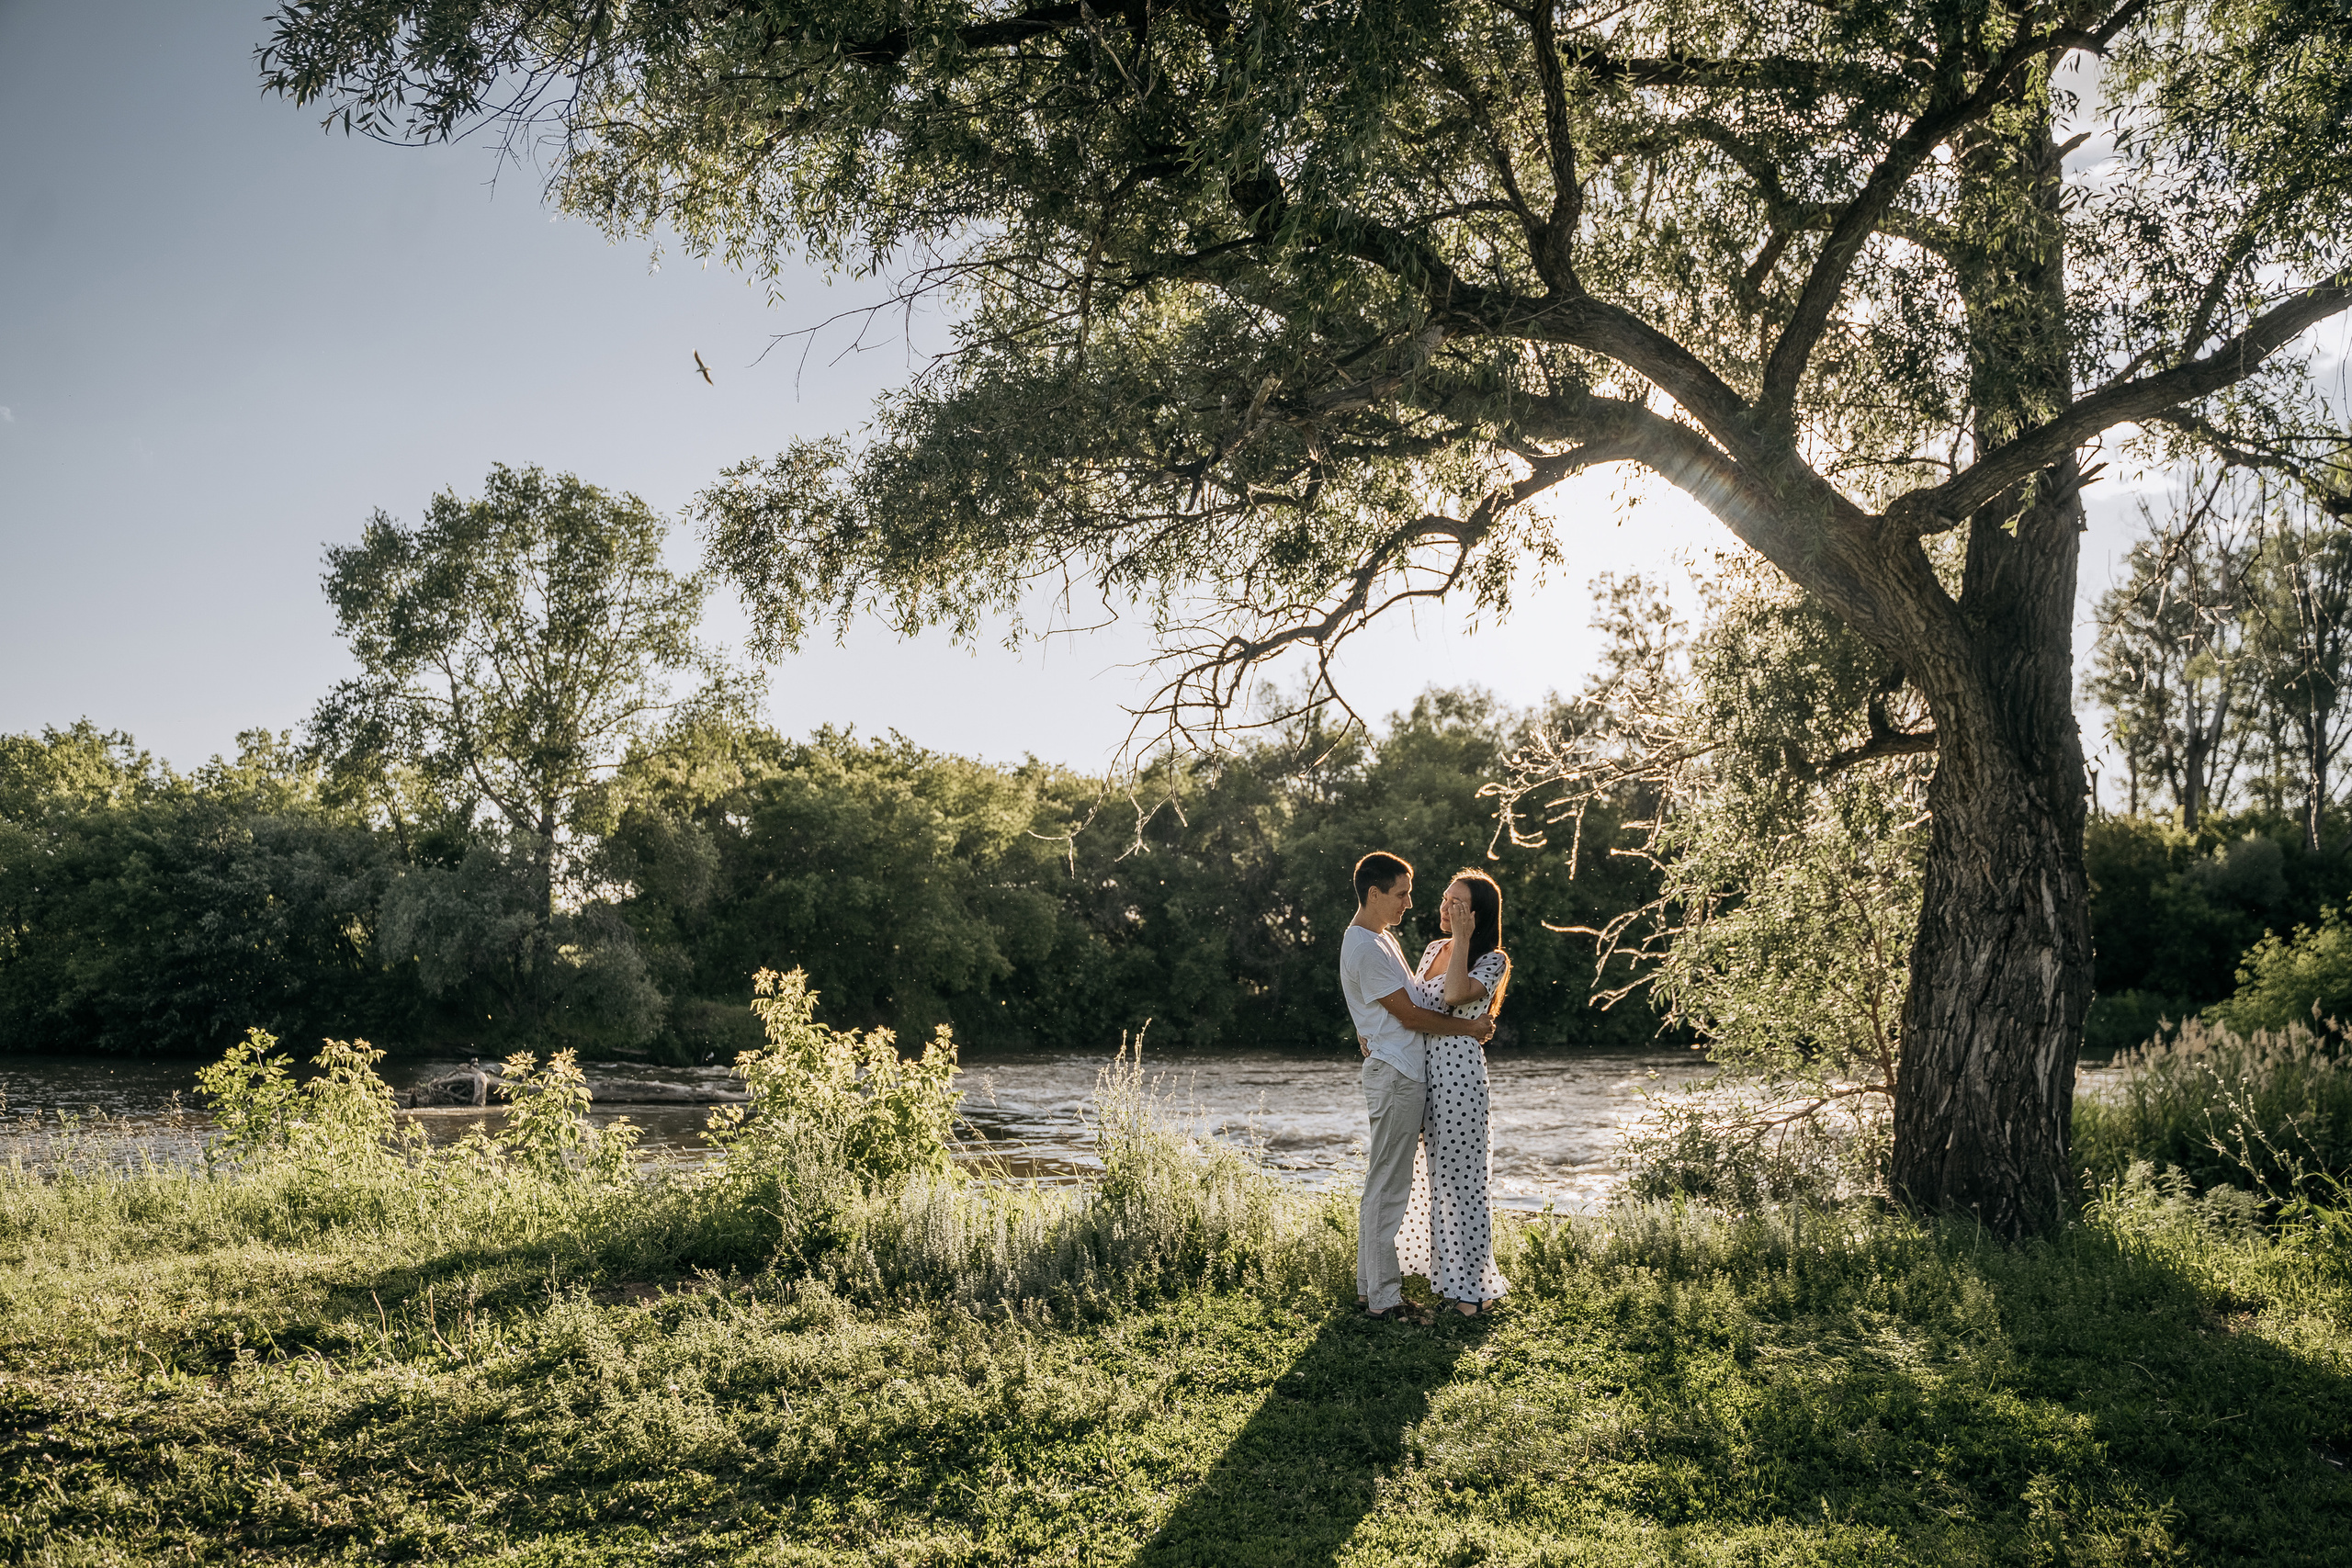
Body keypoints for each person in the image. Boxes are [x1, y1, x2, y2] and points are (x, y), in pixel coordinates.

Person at [1341, 851, 1495, 1319]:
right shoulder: (1367, 946)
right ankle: (1383, 1299)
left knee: (1401, 1184)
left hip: (1424, 1075)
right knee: (1388, 1187)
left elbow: (1400, 1003)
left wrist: (1370, 1033)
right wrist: (1468, 1029)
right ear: (1375, 893)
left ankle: (1380, 1290)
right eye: (1402, 893)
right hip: (1399, 1075)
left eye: (1456, 903)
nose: (1413, 902)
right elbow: (1410, 1013)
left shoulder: (1382, 940)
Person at [1396, 870, 1511, 1315]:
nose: (1445, 909)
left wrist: (1462, 938)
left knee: (1464, 1183)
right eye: (1445, 900)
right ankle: (1446, 1282)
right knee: (1433, 1182)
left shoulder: (1493, 959)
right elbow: (1411, 1008)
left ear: (1477, 915)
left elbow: (1456, 994)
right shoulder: (1430, 950)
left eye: (1457, 905)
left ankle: (1472, 1294)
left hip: (1460, 1078)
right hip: (1422, 1074)